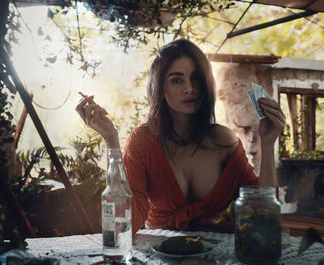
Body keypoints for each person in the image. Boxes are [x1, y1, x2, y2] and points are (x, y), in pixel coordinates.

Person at [75, 39, 285, 234]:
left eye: (196, 79)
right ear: (159, 87)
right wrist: (111, 140)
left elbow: (263, 211)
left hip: (212, 257)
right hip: (156, 257)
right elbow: (124, 225)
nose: (189, 89)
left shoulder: (223, 140)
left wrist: (268, 145)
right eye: (177, 80)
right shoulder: (143, 140)